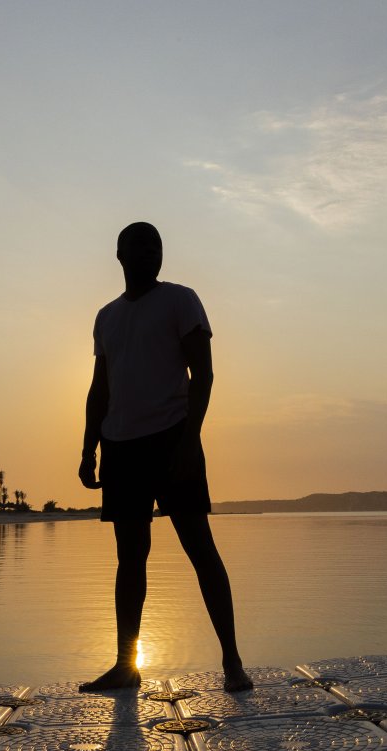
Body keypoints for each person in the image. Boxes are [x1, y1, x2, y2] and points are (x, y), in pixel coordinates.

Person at [78, 221, 252, 693]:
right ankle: (125, 665)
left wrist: (189, 439)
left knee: (200, 549)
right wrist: (88, 446)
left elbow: (205, 374)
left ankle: (232, 662)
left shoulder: (180, 299)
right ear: (119, 254)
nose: (149, 251)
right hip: (121, 446)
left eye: (155, 245)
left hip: (173, 438)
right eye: (139, 245)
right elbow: (101, 386)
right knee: (130, 558)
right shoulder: (107, 317)